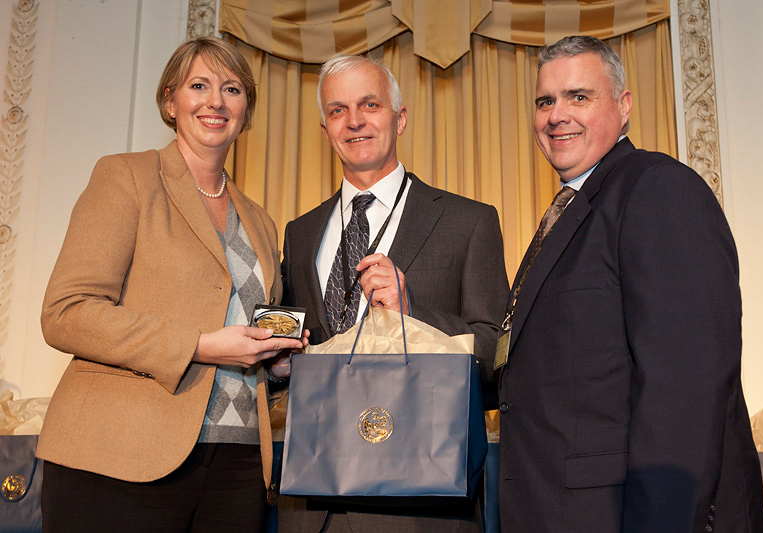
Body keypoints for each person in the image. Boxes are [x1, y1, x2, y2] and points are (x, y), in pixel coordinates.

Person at [497, 35, 763, 532]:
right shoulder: (568, 213)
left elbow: (684, 389)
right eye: (545, 101)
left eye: (579, 96)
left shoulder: (657, 189)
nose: (557, 115)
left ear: (623, 107)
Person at [37, 37, 307, 532]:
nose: (216, 101)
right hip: (119, 453)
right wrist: (199, 345)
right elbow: (66, 313)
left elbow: (247, 336)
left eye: (232, 89)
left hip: (239, 464)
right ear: (169, 101)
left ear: (246, 111)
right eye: (198, 86)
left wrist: (277, 365)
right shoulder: (126, 176)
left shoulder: (261, 222)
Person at [279, 54, 509, 532]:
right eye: (338, 110)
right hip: (312, 504)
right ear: (325, 129)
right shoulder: (299, 233)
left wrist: (412, 312)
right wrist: (279, 360)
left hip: (420, 504)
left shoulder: (469, 221)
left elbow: (496, 355)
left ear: (399, 119)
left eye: (370, 105)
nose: (354, 121)